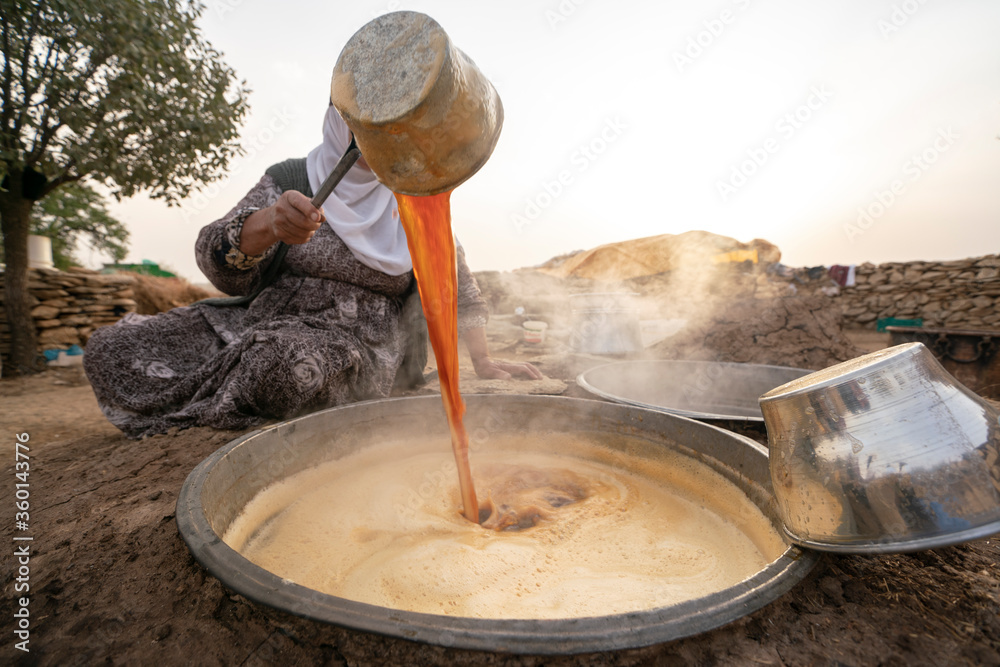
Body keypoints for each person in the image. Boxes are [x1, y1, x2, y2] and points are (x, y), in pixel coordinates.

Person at [84, 107, 541, 439]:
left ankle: (232, 391)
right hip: (256, 322)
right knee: (112, 348)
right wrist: (267, 224)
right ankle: (228, 388)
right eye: (361, 122)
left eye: (390, 128)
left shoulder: (418, 201)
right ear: (338, 120)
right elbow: (214, 255)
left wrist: (482, 361)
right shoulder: (293, 179)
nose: (373, 136)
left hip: (358, 344)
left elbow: (458, 287)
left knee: (281, 365)